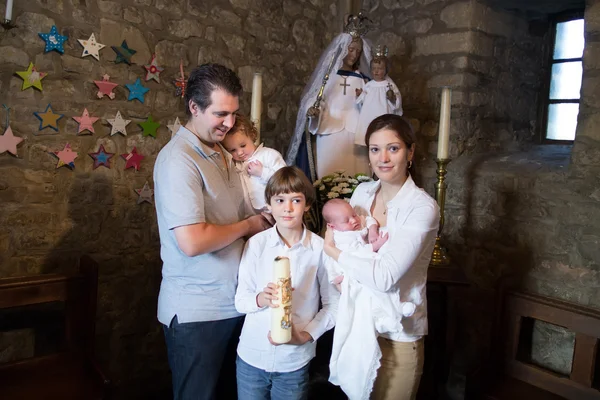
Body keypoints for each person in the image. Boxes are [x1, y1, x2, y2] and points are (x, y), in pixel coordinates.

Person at [153, 63, 272, 400]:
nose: (231, 123)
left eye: (234, 113)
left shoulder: (223, 151)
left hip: (234, 304)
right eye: (221, 113)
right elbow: (192, 241)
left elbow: (234, 212)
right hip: (198, 312)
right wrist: (249, 226)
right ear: (194, 107)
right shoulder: (178, 160)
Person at [323, 114, 440, 400]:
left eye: (393, 148)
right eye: (375, 149)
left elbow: (384, 276)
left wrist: (332, 250)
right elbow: (344, 240)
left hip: (399, 337)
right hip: (359, 326)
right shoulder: (362, 192)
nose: (383, 158)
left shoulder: (422, 207)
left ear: (410, 152)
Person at [234, 166, 339, 400]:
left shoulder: (320, 249)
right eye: (280, 200)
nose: (288, 208)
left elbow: (334, 305)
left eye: (296, 200)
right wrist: (262, 298)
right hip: (252, 356)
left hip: (294, 361)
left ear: (307, 204)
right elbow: (241, 301)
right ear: (269, 204)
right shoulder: (256, 245)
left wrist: (306, 335)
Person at [286, 13, 373, 181]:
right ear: (342, 49)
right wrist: (314, 111)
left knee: (358, 176)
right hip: (329, 131)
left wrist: (365, 99)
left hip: (356, 134)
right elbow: (316, 99)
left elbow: (373, 106)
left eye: (358, 51)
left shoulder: (364, 80)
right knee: (329, 177)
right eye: (351, 49)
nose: (354, 54)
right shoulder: (327, 77)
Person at [222, 113, 287, 214]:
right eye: (232, 150)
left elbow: (286, 182)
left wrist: (262, 172)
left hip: (275, 212)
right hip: (249, 216)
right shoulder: (235, 163)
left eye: (243, 145)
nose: (239, 153)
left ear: (252, 136)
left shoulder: (269, 155)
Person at [321, 198, 388, 289]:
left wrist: (372, 230)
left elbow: (368, 219)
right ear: (332, 226)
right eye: (346, 221)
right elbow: (356, 253)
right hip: (344, 266)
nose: (353, 220)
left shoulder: (356, 223)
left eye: (354, 215)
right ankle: (338, 279)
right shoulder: (343, 238)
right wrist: (376, 245)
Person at [355, 45, 403, 147]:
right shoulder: (369, 85)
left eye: (380, 68)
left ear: (385, 70)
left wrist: (392, 98)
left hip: (383, 113)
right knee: (370, 136)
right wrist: (361, 94)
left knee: (383, 134)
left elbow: (397, 100)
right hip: (369, 114)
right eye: (374, 69)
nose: (376, 71)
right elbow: (363, 101)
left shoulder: (389, 84)